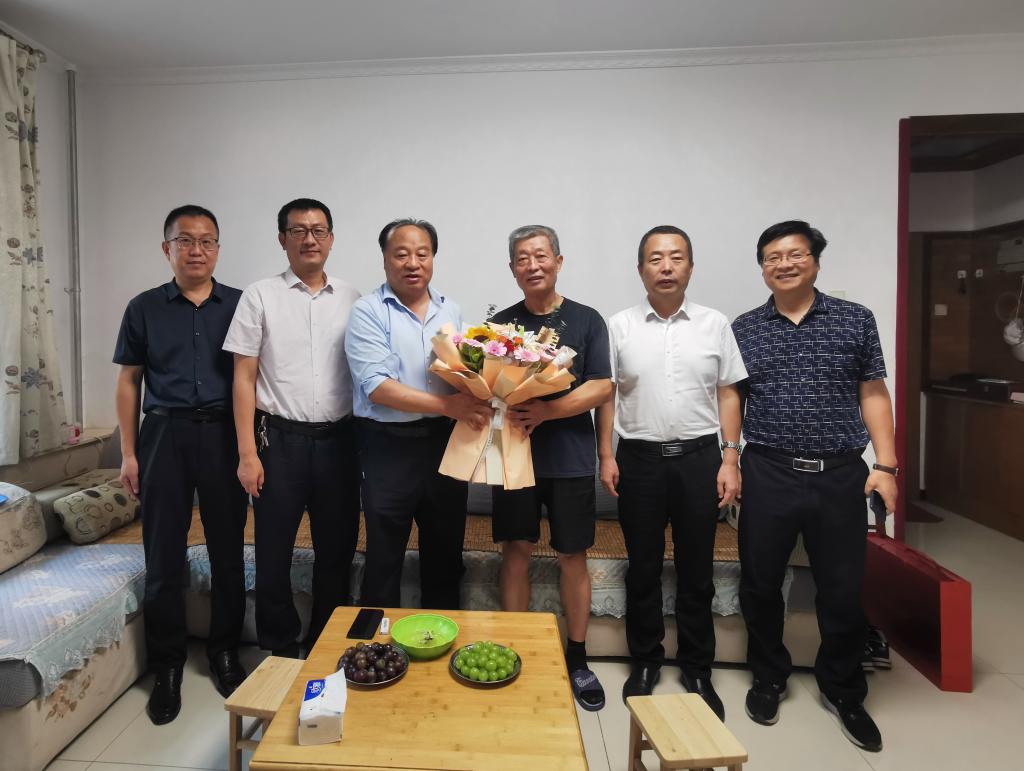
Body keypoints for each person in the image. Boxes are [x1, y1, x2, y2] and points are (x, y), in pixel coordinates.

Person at [731, 220, 898, 752]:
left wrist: (887, 465)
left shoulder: (854, 319)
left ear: (815, 261)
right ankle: (768, 677)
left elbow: (873, 392)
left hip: (841, 473)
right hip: (768, 470)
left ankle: (845, 690)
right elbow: (733, 396)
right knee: (760, 583)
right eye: (772, 257)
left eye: (794, 254)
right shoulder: (745, 327)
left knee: (842, 588)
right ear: (762, 268)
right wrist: (730, 456)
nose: (783, 264)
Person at [596, 225, 745, 720]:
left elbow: (728, 391)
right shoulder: (619, 326)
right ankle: (645, 661)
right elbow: (606, 395)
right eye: (655, 258)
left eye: (676, 257)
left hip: (700, 459)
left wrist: (730, 458)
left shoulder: (714, 324)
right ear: (640, 269)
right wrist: (606, 454)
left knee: (696, 568)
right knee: (642, 566)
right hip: (638, 460)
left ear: (690, 267)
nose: (666, 266)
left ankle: (697, 668)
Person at [113, 205, 248, 724]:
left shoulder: (240, 304)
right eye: (185, 240)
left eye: (206, 240)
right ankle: (167, 665)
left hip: (223, 435)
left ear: (218, 248)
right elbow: (129, 381)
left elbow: (252, 376)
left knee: (228, 550)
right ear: (166, 248)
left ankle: (224, 651)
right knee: (163, 553)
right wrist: (129, 453)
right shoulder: (143, 307)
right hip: (163, 434)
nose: (196, 250)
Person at [223, 198, 361, 658]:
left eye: (318, 230)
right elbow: (243, 378)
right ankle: (279, 650)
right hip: (277, 441)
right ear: (282, 239)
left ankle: (327, 646)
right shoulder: (259, 295)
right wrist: (247, 454)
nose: (309, 239)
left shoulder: (352, 298)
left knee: (336, 552)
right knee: (273, 554)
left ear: (331, 239)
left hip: (340, 443)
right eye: (298, 231)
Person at [489, 225, 613, 712]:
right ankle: (514, 648)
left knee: (572, 554)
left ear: (558, 261)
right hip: (514, 455)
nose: (532, 265)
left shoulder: (586, 320)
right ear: (512, 268)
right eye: (522, 258)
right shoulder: (501, 325)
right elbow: (489, 385)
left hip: (570, 458)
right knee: (515, 549)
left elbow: (601, 386)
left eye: (541, 255)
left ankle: (577, 657)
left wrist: (546, 411)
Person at [345, 219, 491, 610]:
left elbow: (462, 373)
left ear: (432, 259)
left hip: (444, 443)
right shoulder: (367, 311)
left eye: (422, 254)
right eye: (402, 254)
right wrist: (449, 405)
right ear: (385, 260)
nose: (413, 263)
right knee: (384, 554)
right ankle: (378, 642)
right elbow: (377, 387)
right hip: (387, 446)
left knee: (445, 553)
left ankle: (441, 637)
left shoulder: (451, 310)